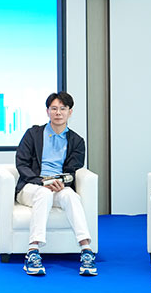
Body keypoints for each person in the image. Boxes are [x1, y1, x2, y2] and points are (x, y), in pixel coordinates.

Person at [15, 91, 97, 276]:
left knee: (71, 196)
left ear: (70, 112)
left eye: (63, 108)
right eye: (54, 108)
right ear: (47, 111)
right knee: (44, 193)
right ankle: (33, 251)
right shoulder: (33, 134)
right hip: (31, 186)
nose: (58, 112)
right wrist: (41, 182)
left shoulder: (77, 141)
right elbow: (21, 164)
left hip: (59, 187)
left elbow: (73, 170)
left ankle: (86, 249)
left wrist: (61, 182)